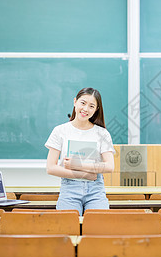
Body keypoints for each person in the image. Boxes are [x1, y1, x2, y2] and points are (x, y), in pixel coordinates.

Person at [45, 87, 115, 215]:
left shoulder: (102, 133)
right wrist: (84, 174)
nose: (86, 109)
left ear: (96, 110)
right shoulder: (60, 131)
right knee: (68, 227)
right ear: (75, 102)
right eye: (83, 103)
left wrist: (79, 166)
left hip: (96, 189)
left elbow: (110, 166)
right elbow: (50, 168)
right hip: (69, 188)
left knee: (97, 227)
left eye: (91, 106)